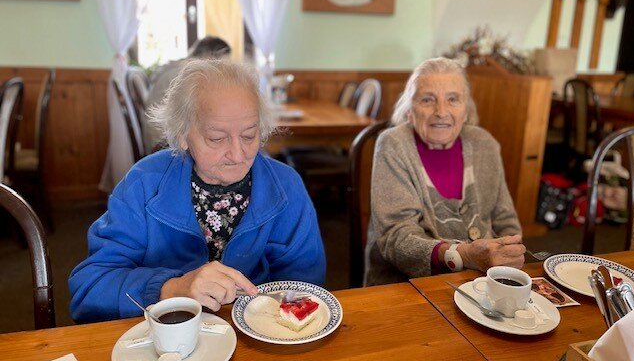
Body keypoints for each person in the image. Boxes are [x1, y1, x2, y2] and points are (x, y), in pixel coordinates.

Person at [69, 59, 326, 323]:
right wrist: (171, 289)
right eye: (217, 138)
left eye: (249, 135)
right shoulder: (144, 184)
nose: (238, 155)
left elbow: (305, 288)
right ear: (182, 134)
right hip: (164, 337)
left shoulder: (285, 187)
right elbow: (89, 289)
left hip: (254, 336)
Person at [365, 57, 525, 286]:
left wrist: (508, 257)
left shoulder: (484, 143)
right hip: (408, 287)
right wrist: (462, 255)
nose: (441, 111)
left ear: (466, 110)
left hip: (484, 283)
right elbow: (397, 237)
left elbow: (505, 220)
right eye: (427, 100)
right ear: (410, 110)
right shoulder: (394, 144)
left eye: (452, 99)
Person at [143, 36, 232, 152]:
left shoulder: (179, 68)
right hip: (164, 146)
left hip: (161, 140)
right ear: (213, 56)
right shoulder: (188, 75)